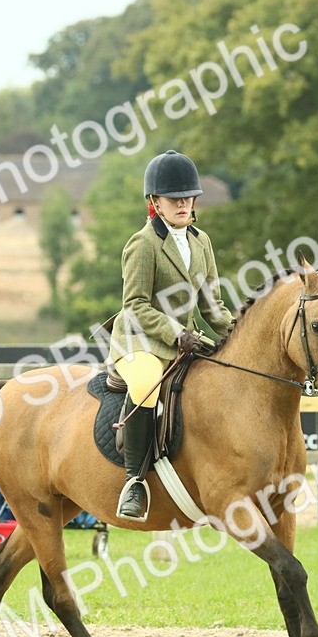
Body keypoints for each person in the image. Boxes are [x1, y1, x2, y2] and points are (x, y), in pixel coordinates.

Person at [108, 149, 236, 519]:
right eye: (174, 199)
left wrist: (235, 338)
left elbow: (212, 305)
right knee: (147, 385)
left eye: (188, 197)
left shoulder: (201, 242)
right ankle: (134, 483)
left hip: (186, 339)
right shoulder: (142, 244)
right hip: (140, 341)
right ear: (155, 203)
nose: (183, 204)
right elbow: (134, 304)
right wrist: (177, 333)